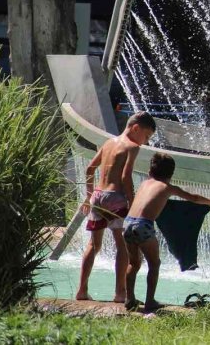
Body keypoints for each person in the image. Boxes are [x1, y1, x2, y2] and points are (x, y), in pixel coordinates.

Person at [76, 111, 156, 303]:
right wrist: (133, 202)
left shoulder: (108, 143)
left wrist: (88, 197)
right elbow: (125, 178)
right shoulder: (132, 147)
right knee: (122, 246)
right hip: (116, 199)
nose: (144, 142)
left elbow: (89, 169)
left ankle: (81, 290)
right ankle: (120, 292)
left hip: (97, 196)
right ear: (135, 128)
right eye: (146, 136)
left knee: (93, 245)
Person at [123, 152, 210, 311]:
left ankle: (129, 299)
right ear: (171, 174)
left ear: (150, 171)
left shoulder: (144, 184)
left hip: (127, 223)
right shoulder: (167, 187)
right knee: (154, 264)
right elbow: (193, 198)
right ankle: (150, 301)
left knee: (133, 263)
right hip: (143, 226)